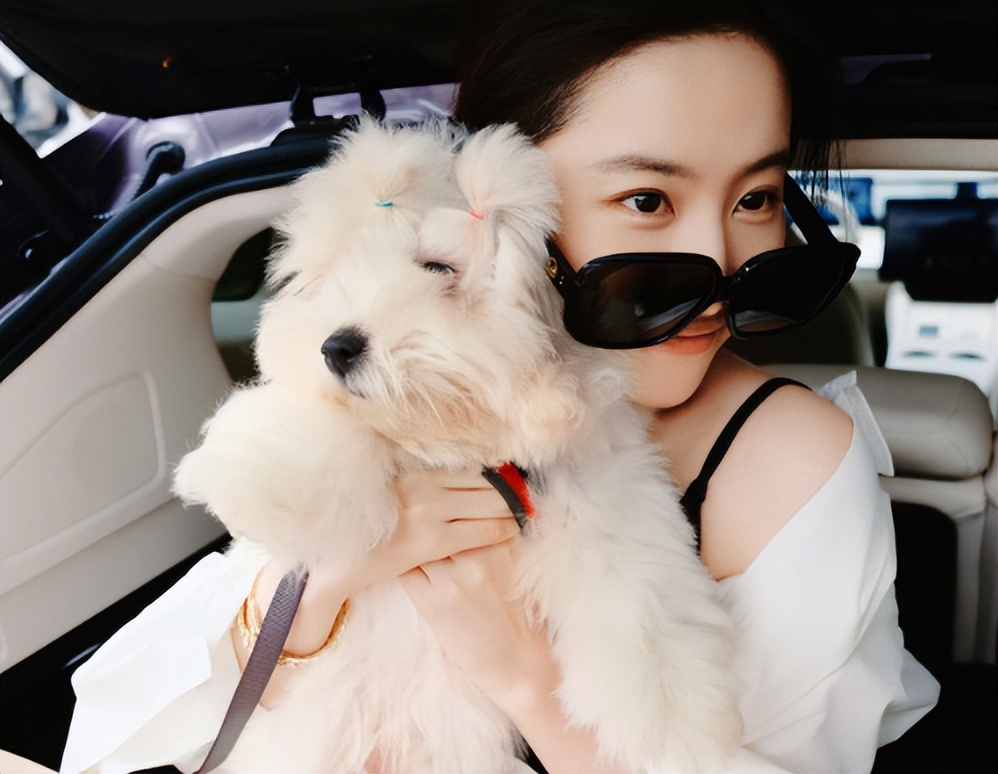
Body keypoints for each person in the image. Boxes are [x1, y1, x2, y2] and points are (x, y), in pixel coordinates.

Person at [60, 1, 939, 772]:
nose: (719, 262)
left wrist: (528, 680)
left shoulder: (790, 460)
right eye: (647, 199)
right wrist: (315, 591)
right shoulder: (382, 396)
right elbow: (122, 719)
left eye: (757, 198)